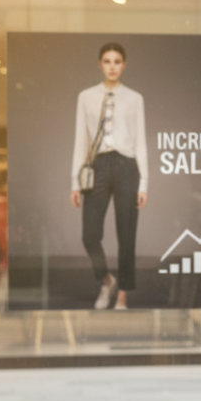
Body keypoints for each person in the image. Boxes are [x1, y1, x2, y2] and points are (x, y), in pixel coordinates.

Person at [70, 42, 148, 310]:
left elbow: (140, 141)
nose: (112, 66)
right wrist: (74, 182)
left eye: (117, 61)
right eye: (107, 61)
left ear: (123, 64)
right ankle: (107, 281)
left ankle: (123, 295)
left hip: (127, 165)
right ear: (100, 64)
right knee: (90, 235)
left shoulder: (134, 98)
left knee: (127, 235)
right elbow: (81, 139)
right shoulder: (86, 96)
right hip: (98, 165)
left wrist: (144, 182)